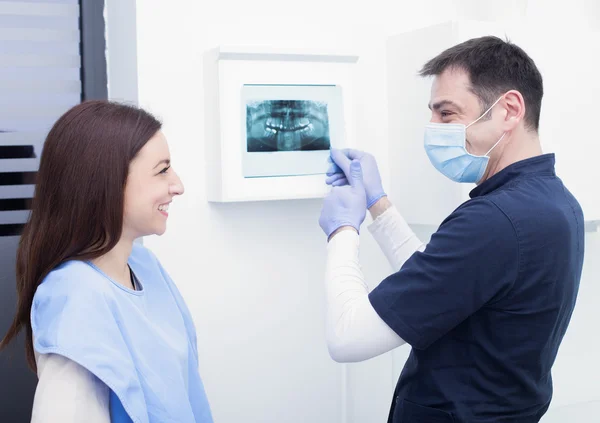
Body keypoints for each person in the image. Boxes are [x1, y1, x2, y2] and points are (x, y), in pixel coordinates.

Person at [318, 36, 585, 423]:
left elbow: (347, 337)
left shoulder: (495, 221)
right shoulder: (556, 203)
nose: (433, 129)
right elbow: (446, 284)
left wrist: (342, 230)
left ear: (509, 109)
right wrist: (378, 203)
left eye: (447, 114)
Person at [0, 101, 213, 423]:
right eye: (162, 171)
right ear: (107, 182)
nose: (178, 186)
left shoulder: (144, 265)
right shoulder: (76, 299)